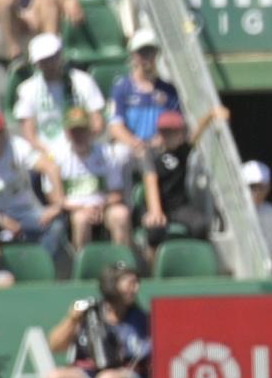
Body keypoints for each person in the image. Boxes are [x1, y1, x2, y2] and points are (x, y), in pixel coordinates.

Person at [42, 261, 151, 378]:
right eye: (130, 283)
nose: (136, 288)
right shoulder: (90, 313)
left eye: (137, 283)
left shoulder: (141, 319)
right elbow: (55, 345)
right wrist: (72, 319)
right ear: (112, 284)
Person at [0, 109, 66, 259]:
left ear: (4, 132)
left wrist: (57, 205)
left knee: (56, 226)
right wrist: (0, 220)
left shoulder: (18, 147)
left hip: (25, 211)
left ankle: (41, 265)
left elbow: (50, 168)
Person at [52, 107, 134, 255]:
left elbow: (116, 193)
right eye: (74, 131)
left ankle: (122, 265)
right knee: (81, 220)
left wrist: (101, 205)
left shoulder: (107, 154)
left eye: (82, 130)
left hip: (103, 206)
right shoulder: (59, 157)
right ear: (67, 133)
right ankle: (82, 269)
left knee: (121, 214)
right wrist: (82, 208)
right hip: (74, 210)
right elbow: (55, 197)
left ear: (90, 131)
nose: (78, 136)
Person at [142, 104, 225, 249]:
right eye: (164, 132)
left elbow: (197, 132)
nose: (168, 136)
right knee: (155, 231)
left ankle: (196, 262)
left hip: (180, 206)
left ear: (181, 133)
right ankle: (154, 267)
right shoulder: (151, 154)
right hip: (157, 206)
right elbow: (150, 181)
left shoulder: (182, 151)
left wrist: (210, 115)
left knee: (201, 225)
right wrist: (155, 210)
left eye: (172, 132)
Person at [12, 30, 104, 156]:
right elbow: (29, 134)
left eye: (52, 58)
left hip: (83, 148)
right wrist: (51, 154)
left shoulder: (83, 81)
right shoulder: (27, 89)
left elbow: (97, 122)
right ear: (36, 63)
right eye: (43, 60)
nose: (49, 64)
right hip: (47, 151)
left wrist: (82, 145)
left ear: (60, 55)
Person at [107, 27, 182, 157]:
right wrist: (134, 143)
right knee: (119, 154)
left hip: (161, 150)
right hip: (131, 150)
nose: (147, 57)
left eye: (151, 52)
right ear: (134, 55)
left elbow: (176, 123)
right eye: (142, 52)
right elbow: (115, 126)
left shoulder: (168, 90)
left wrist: (163, 139)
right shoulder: (122, 88)